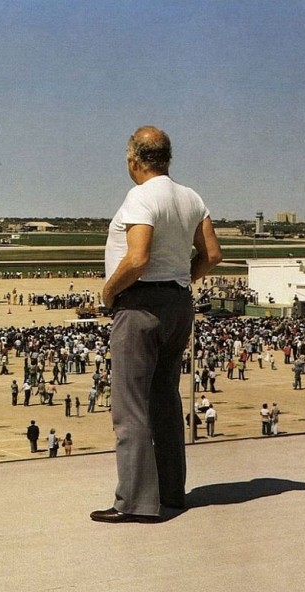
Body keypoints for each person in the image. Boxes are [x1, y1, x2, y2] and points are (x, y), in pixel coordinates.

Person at [92, 126, 222, 524]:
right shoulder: (191, 197)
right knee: (165, 399)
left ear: (134, 159)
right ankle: (171, 493)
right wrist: (181, 279)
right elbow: (213, 254)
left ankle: (133, 502)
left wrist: (108, 293)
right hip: (178, 303)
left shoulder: (141, 196)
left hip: (141, 305)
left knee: (130, 406)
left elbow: (137, 258)